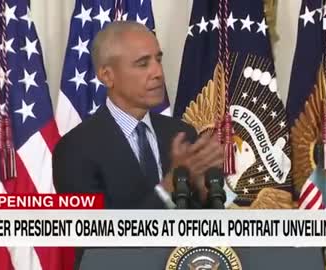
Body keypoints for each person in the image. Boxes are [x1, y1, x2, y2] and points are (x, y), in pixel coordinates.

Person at [52, 21, 223, 210]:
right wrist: (169, 186)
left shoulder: (182, 134)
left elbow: (211, 226)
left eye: (158, 60)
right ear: (107, 76)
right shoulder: (74, 150)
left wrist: (207, 191)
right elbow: (97, 234)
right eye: (143, 64)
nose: (158, 72)